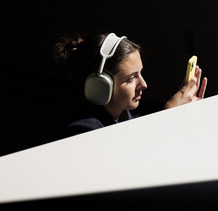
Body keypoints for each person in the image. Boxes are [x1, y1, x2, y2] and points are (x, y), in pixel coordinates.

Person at [53, 32, 207, 137]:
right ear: (101, 86)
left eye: (140, 73)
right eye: (131, 78)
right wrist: (168, 114)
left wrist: (184, 117)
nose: (144, 84)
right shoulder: (82, 131)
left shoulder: (127, 116)